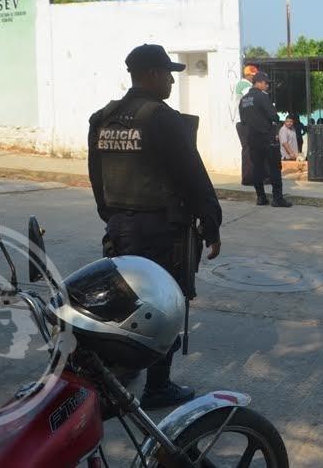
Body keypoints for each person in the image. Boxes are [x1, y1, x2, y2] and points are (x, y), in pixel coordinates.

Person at [88, 43, 223, 410]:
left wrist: (113, 217)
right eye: (167, 74)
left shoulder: (103, 117)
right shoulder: (162, 118)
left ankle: (117, 377)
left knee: (124, 304)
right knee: (164, 304)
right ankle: (158, 387)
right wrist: (212, 223)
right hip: (162, 232)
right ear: (149, 74)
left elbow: (96, 178)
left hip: (120, 229)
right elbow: (192, 175)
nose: (170, 81)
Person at [239, 72, 292, 207]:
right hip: (267, 138)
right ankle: (277, 199)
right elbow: (274, 116)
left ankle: (261, 198)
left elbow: (243, 121)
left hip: (252, 139)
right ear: (259, 82)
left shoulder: (243, 100)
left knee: (257, 168)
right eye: (266, 83)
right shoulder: (262, 97)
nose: (267, 85)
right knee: (274, 168)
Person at [235, 65, 259, 186]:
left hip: (248, 122)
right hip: (244, 123)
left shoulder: (248, 85)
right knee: (248, 150)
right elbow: (251, 99)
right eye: (254, 76)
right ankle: (248, 178)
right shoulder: (244, 84)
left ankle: (252, 177)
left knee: (251, 150)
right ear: (248, 75)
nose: (255, 79)